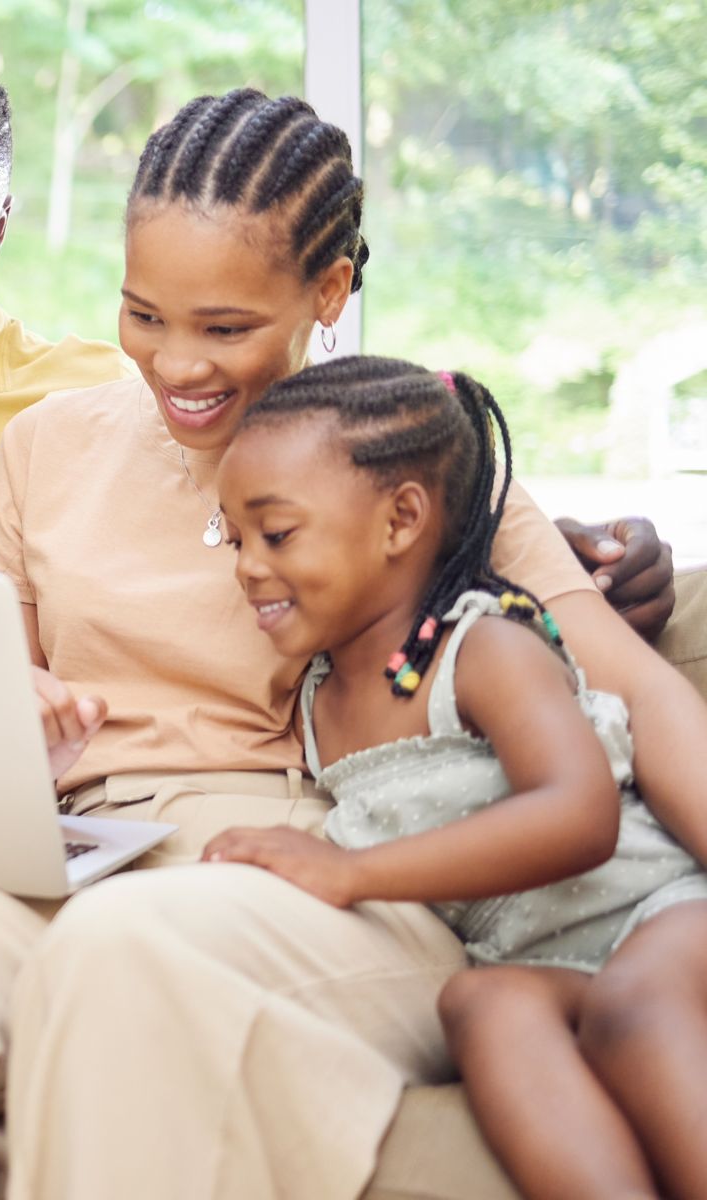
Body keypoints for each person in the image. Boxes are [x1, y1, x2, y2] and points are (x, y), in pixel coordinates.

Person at [0, 88, 707, 1200]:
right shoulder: (47, 446)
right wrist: (4, 720)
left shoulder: (402, 463)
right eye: (143, 315)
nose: (176, 366)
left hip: (308, 868)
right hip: (65, 843)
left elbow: (634, 693)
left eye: (226, 328)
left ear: (328, 292)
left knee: (129, 958)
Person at [207, 355, 707, 1200]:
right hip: (541, 958)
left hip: (660, 914)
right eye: (235, 538)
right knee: (481, 1011)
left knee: (633, 1012)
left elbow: (582, 814)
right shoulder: (319, 701)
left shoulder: (483, 649)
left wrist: (351, 873)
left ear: (402, 519)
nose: (249, 566)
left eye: (278, 533)